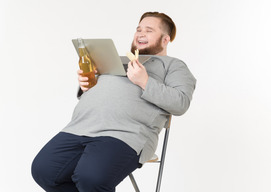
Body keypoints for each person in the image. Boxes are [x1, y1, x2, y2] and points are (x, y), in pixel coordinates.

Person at [31, 11, 196, 192]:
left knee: (91, 179)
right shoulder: (116, 60)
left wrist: (145, 81)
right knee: (44, 171)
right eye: (138, 29)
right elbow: (103, 95)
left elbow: (181, 103)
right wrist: (87, 85)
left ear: (165, 40)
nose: (140, 33)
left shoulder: (174, 65)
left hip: (126, 134)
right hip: (80, 127)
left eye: (149, 30)